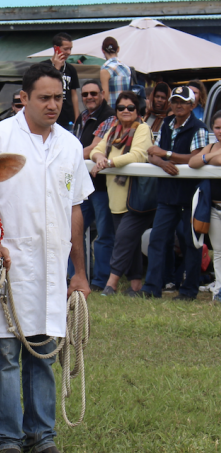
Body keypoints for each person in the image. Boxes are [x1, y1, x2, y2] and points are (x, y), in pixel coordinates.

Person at [0, 63, 93, 453]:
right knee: (6, 353)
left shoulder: (71, 146)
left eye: (58, 97)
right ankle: (7, 439)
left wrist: (79, 272)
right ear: (24, 97)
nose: (53, 105)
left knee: (44, 351)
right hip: (4, 263)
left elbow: (75, 209)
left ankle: (42, 437)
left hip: (51, 268)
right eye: (44, 98)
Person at [140, 86, 210, 300]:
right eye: (175, 101)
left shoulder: (199, 128)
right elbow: (152, 153)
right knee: (158, 240)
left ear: (192, 105)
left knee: (191, 243)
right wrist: (162, 161)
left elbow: (196, 158)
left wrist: (166, 154)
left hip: (190, 196)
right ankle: (151, 287)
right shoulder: (168, 125)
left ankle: (189, 290)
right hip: (167, 195)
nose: (178, 105)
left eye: (183, 101)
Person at [89, 91, 153, 296]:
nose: (125, 111)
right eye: (121, 108)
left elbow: (137, 155)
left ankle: (111, 284)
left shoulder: (143, 129)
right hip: (116, 196)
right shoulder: (113, 130)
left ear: (138, 110)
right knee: (129, 242)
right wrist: (100, 158)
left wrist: (108, 162)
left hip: (137, 197)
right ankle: (135, 286)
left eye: (130, 107)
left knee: (124, 239)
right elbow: (95, 149)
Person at [72, 79, 115, 290]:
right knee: (74, 232)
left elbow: (93, 148)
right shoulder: (82, 116)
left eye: (93, 93)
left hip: (103, 186)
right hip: (84, 185)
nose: (89, 97)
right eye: (85, 94)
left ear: (103, 93)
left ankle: (100, 281)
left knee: (104, 235)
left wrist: (68, 158)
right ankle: (73, 277)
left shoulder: (110, 116)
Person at [188, 111, 221, 302]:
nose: (220, 131)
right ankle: (219, 291)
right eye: (217, 127)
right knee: (218, 251)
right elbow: (193, 162)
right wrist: (212, 156)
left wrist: (208, 158)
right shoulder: (211, 146)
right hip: (214, 209)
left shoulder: (210, 149)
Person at [41, 32, 80, 130]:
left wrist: (77, 117)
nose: (68, 52)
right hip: (48, 115)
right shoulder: (43, 66)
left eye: (70, 49)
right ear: (56, 48)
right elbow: (44, 87)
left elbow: (74, 94)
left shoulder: (71, 69)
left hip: (67, 117)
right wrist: (56, 68)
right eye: (65, 49)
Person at [99, 37, 131, 110]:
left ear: (102, 50)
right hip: (126, 110)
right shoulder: (127, 69)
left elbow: (105, 96)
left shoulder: (105, 70)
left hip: (112, 112)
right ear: (118, 49)